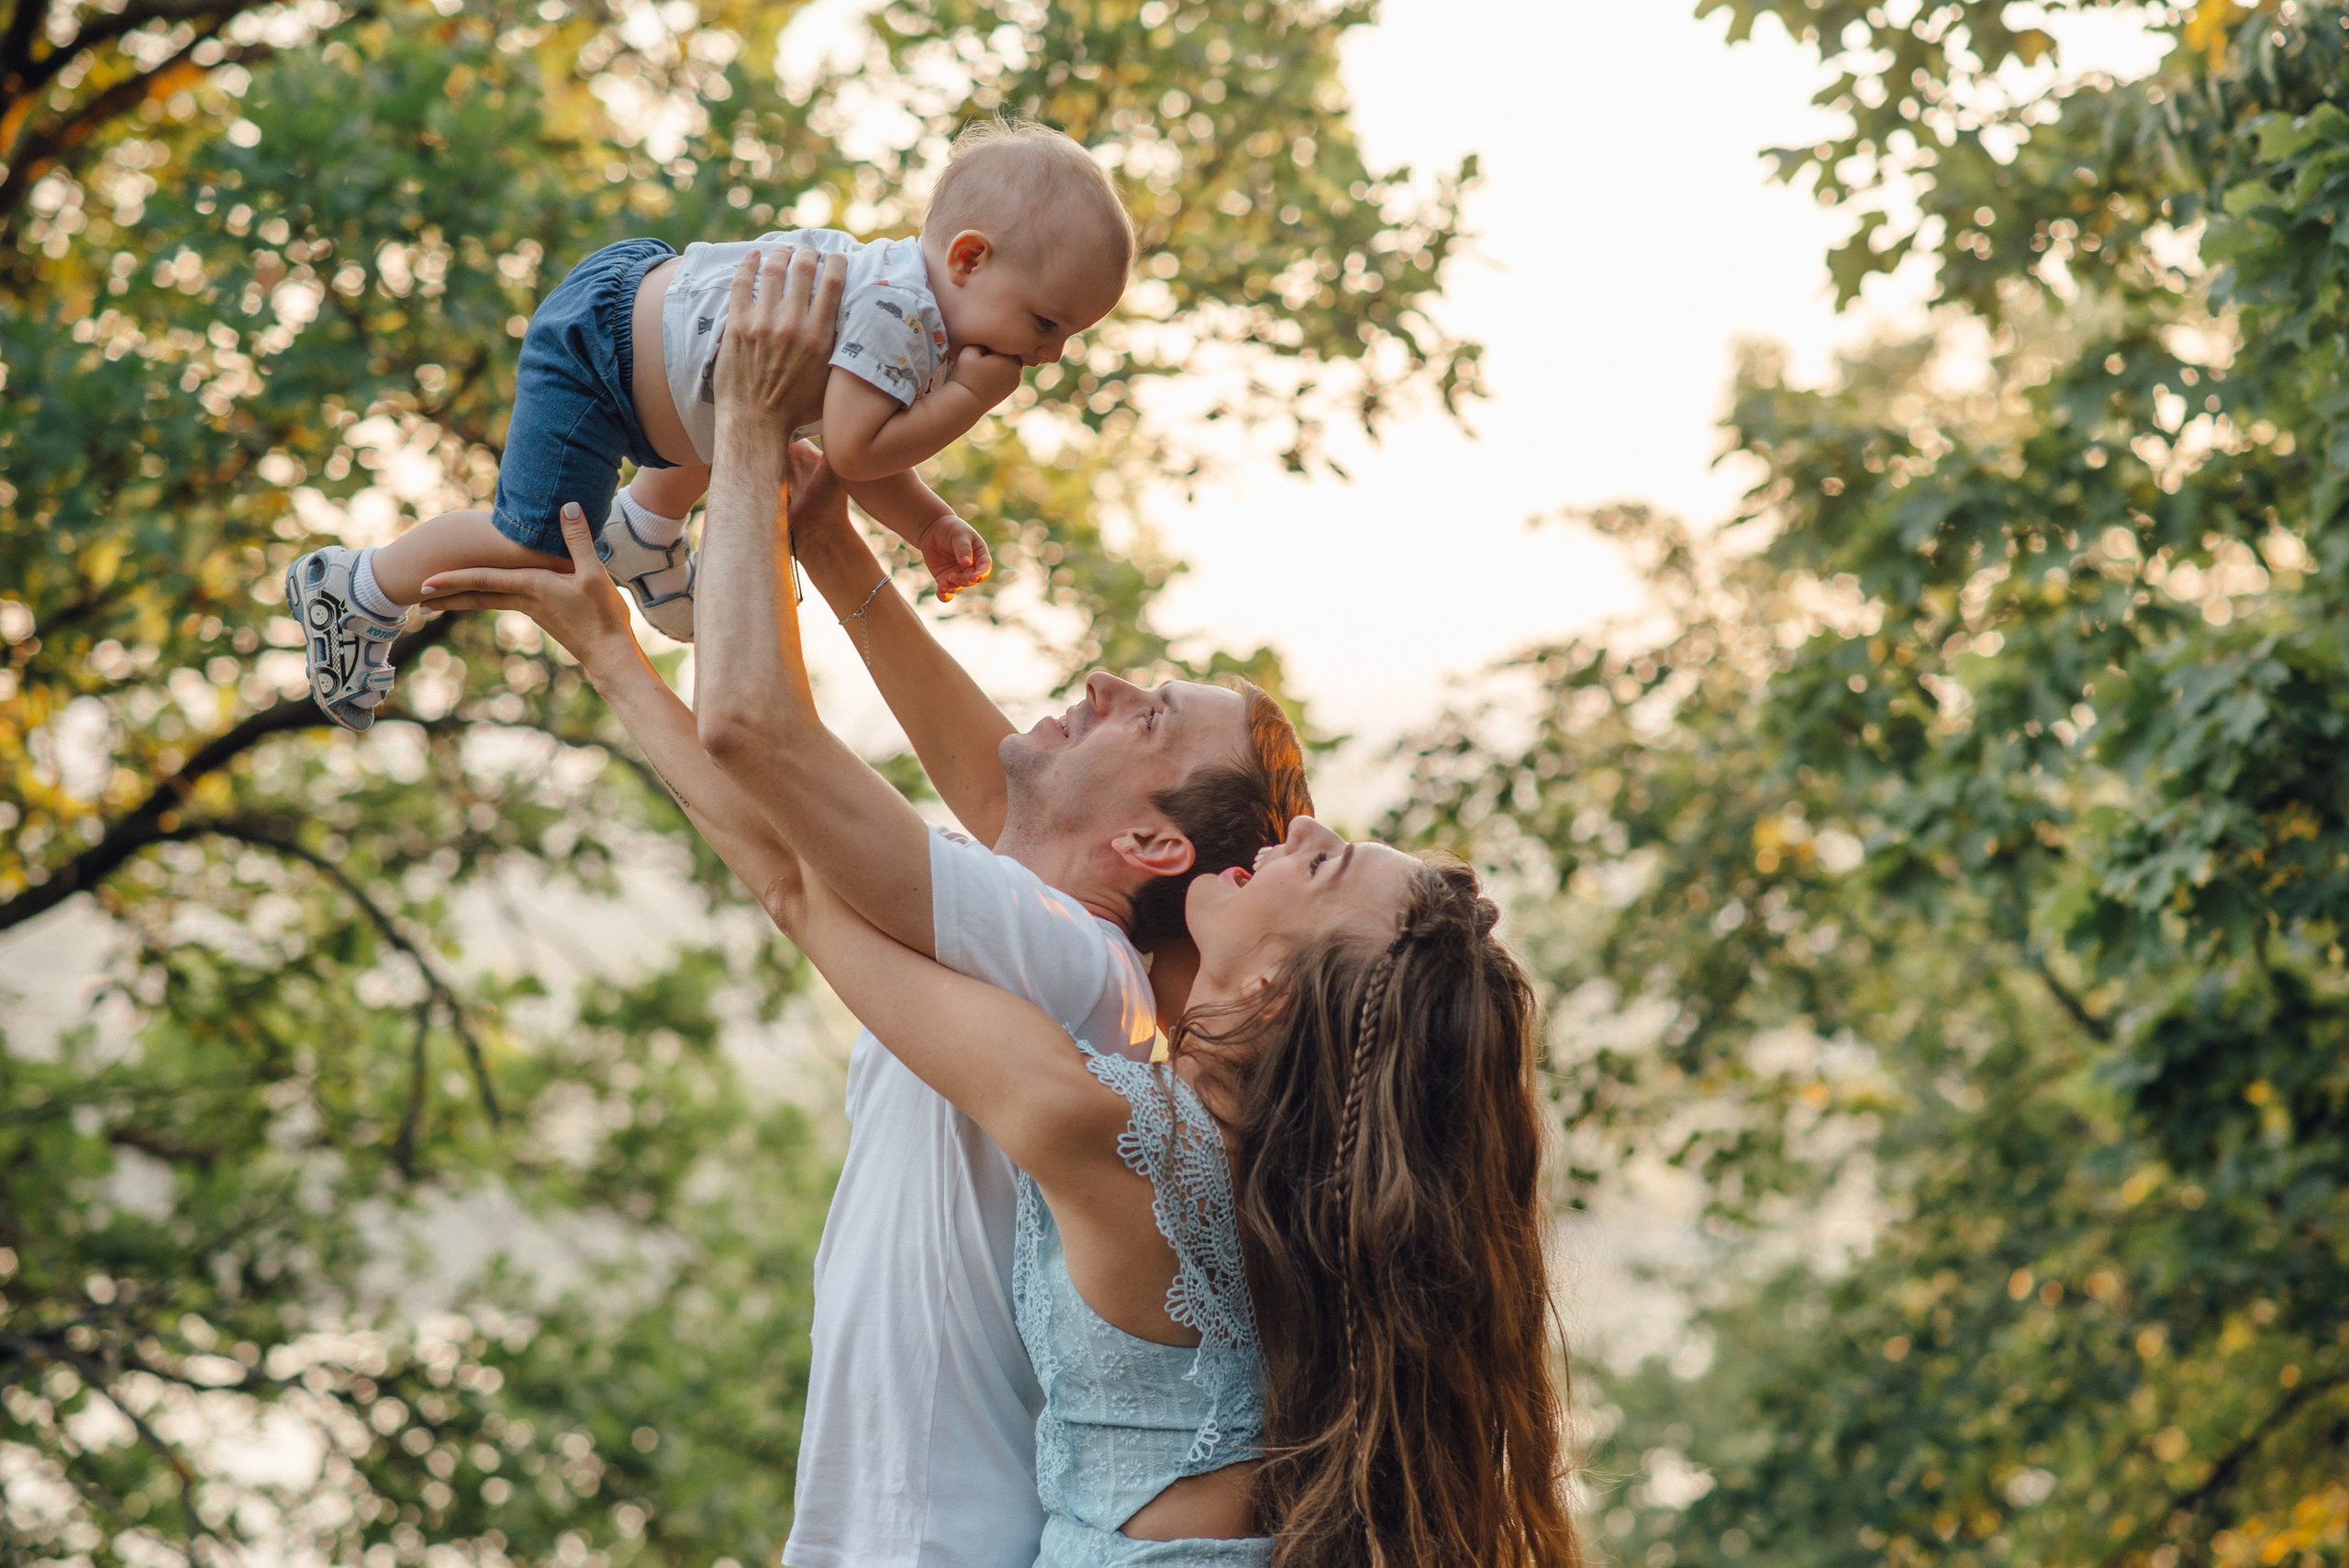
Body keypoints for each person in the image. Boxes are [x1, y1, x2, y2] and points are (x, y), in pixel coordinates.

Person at [424, 484, 1585, 1568]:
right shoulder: (1236, 1136)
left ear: (1282, 987)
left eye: (1320, 858)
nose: (1293, 833)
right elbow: (1001, 825)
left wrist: (654, 602)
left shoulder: (1128, 1130)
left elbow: (797, 866)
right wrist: (819, 541)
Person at [422, 244, 1312, 1567]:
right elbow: (811, 844)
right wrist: (749, 580)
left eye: (1155, 713)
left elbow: (761, 748)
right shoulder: (1047, 930)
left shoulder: (1075, 970)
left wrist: (738, 433)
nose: (1113, 677)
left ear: (1148, 839)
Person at [287, 117, 1131, 730]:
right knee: (547, 542)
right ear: (969, 258)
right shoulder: (900, 313)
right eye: (1047, 323)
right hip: (605, 354)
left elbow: (861, 455)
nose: (1047, 357)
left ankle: (650, 532)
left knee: (750, 425)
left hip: (655, 344)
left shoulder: (922, 317)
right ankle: (355, 584)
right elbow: (854, 449)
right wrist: (972, 402)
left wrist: (929, 524)